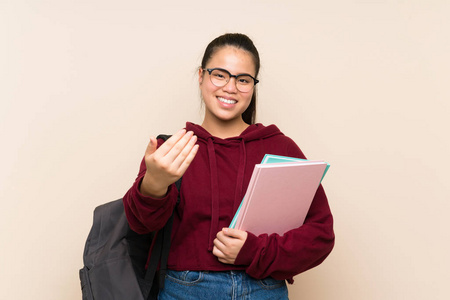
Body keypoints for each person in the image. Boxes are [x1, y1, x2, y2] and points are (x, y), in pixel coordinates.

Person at [123, 33, 335, 300]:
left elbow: (321, 234)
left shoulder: (282, 149)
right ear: (201, 76)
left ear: (253, 86)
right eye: (220, 75)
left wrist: (254, 251)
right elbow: (140, 225)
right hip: (185, 291)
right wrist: (153, 184)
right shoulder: (173, 149)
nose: (230, 87)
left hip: (264, 291)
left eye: (243, 80)